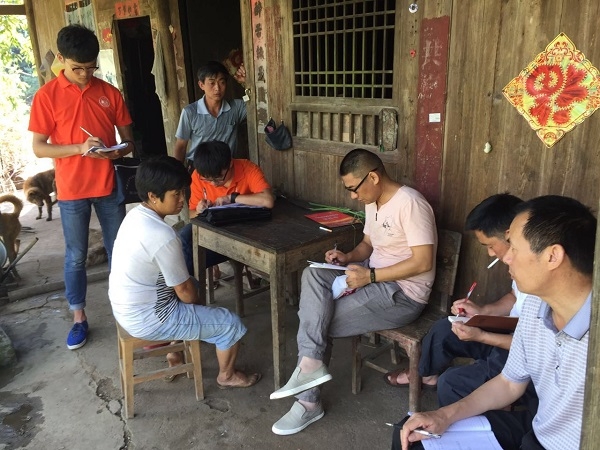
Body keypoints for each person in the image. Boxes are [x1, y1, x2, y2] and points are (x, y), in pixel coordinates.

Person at [398, 195, 595, 450]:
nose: (506, 257)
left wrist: (481, 335)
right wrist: (443, 415)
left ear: (552, 256)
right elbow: (509, 383)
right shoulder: (536, 305)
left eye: (514, 248)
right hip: (537, 430)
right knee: (411, 438)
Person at [269, 148, 437, 436]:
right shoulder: (373, 201)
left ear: (373, 177)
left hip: (403, 294)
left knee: (318, 319)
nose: (353, 197)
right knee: (313, 274)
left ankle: (308, 401)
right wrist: (347, 257)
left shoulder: (411, 204)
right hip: (374, 278)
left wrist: (369, 276)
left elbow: (423, 262)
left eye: (353, 189)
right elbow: (368, 246)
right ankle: (310, 365)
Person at [108, 155, 261, 389]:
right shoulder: (162, 235)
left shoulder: (134, 216)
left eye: (183, 191)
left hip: (124, 308)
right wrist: (197, 306)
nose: (182, 199)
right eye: (176, 194)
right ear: (153, 196)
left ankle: (179, 347)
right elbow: (185, 292)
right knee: (230, 323)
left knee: (193, 286)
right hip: (149, 319)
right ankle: (227, 376)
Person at [28, 24, 135, 351]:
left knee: (120, 251)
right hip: (71, 189)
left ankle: (127, 311)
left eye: (91, 68)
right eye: (78, 68)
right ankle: (78, 317)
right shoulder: (46, 96)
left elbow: (129, 141)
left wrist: (117, 151)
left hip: (107, 185)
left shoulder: (110, 93)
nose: (86, 75)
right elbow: (39, 148)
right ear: (62, 59)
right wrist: (78, 148)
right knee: (76, 256)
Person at [385, 194, 536, 412]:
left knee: (452, 383)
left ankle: (473, 426)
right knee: (444, 329)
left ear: (509, 235)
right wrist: (482, 311)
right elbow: (514, 296)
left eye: (490, 245)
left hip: (520, 353)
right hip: (510, 332)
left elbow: (534, 347)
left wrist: (481, 336)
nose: (490, 253)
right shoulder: (520, 264)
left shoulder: (540, 277)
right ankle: (424, 375)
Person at [179, 140, 274, 277]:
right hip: (215, 236)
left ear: (230, 164)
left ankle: (185, 285)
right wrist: (200, 211)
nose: (214, 184)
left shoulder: (247, 169)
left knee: (189, 258)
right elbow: (191, 214)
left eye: (218, 178)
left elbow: (268, 201)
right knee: (182, 239)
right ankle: (184, 283)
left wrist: (233, 198)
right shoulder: (198, 176)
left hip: (245, 235)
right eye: (208, 180)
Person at [174, 61, 247, 163]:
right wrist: (177, 170)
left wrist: (246, 82)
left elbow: (257, 105)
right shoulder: (190, 112)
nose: (217, 88)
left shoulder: (236, 108)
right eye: (212, 83)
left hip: (226, 167)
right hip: (199, 166)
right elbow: (181, 146)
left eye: (222, 82)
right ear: (201, 85)